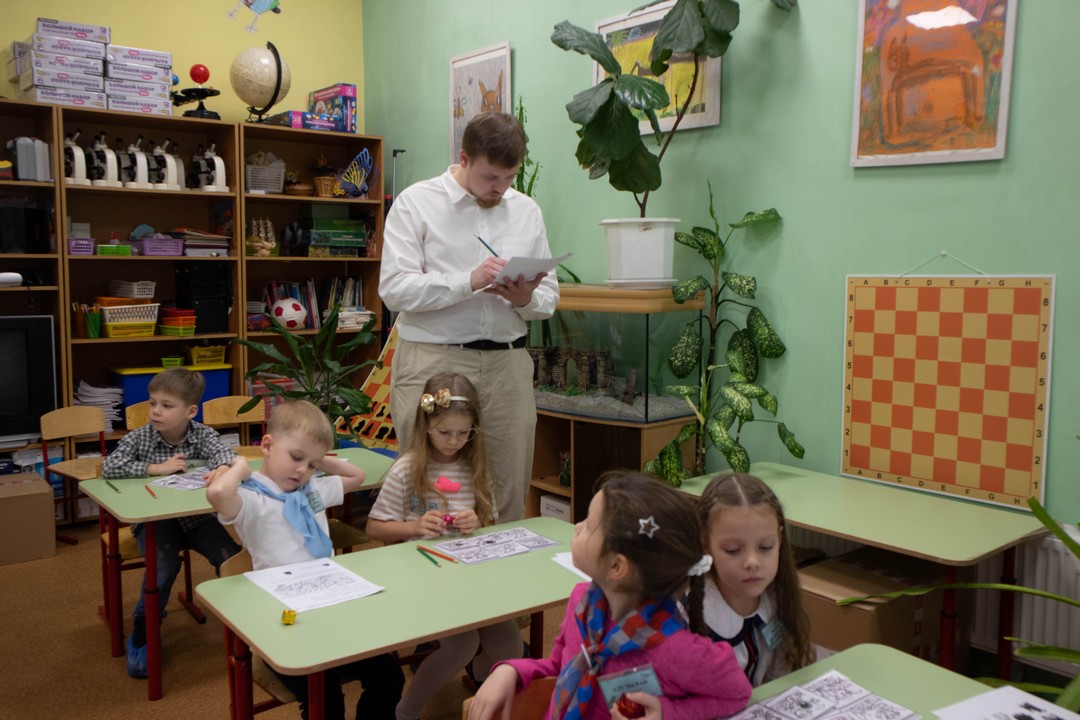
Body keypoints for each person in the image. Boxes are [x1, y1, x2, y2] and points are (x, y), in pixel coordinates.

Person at [379, 110, 559, 523]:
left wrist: (524, 298)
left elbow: (548, 299)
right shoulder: (417, 203)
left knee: (508, 487)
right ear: (464, 158)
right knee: (425, 488)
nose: (500, 188)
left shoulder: (526, 211)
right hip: (433, 359)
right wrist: (469, 281)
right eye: (490, 177)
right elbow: (394, 289)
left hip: (507, 365)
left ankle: (506, 565)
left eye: (509, 177)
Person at [469, 472, 752, 720]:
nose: (578, 526)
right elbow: (559, 666)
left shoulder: (678, 649)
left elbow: (738, 694)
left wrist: (668, 713)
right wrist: (512, 671)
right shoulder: (582, 602)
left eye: (589, 525)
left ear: (616, 566)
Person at [207, 400, 404, 720]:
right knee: (324, 698)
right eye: (296, 457)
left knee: (389, 678)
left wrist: (318, 460)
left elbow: (357, 475)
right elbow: (217, 494)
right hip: (284, 618)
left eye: (311, 465)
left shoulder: (312, 490)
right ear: (267, 445)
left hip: (332, 608)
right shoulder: (252, 499)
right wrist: (238, 469)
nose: (302, 470)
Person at [365, 372, 523, 720]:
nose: (454, 441)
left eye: (463, 433)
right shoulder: (408, 468)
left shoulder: (475, 466)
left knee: (510, 644)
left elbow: (488, 523)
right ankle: (406, 710)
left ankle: (482, 683)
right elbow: (374, 527)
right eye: (445, 432)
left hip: (470, 575)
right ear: (426, 426)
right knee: (462, 644)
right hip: (423, 577)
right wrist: (414, 526)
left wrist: (477, 521)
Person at [102, 367, 241, 679]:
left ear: (190, 411)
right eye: (153, 403)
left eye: (166, 405)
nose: (156, 411)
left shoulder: (201, 433)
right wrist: (154, 468)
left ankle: (245, 621)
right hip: (154, 522)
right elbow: (109, 466)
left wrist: (222, 467)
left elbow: (224, 453)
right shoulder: (140, 437)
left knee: (230, 556)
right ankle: (144, 627)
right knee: (164, 566)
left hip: (195, 519)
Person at [691, 473, 814, 686]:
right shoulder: (689, 614)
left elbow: (780, 674)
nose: (752, 562)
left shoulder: (775, 597)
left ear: (779, 539)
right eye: (733, 550)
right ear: (706, 545)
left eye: (765, 547)